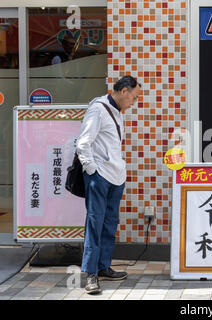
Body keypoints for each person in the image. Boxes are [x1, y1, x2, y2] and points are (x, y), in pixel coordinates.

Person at [76, 75, 141, 294]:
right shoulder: (98, 109)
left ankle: (103, 267)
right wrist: (92, 171)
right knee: (95, 224)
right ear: (124, 91)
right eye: (134, 97)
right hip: (100, 177)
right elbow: (83, 143)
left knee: (109, 225)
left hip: (116, 177)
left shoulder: (116, 111)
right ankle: (90, 274)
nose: (134, 102)